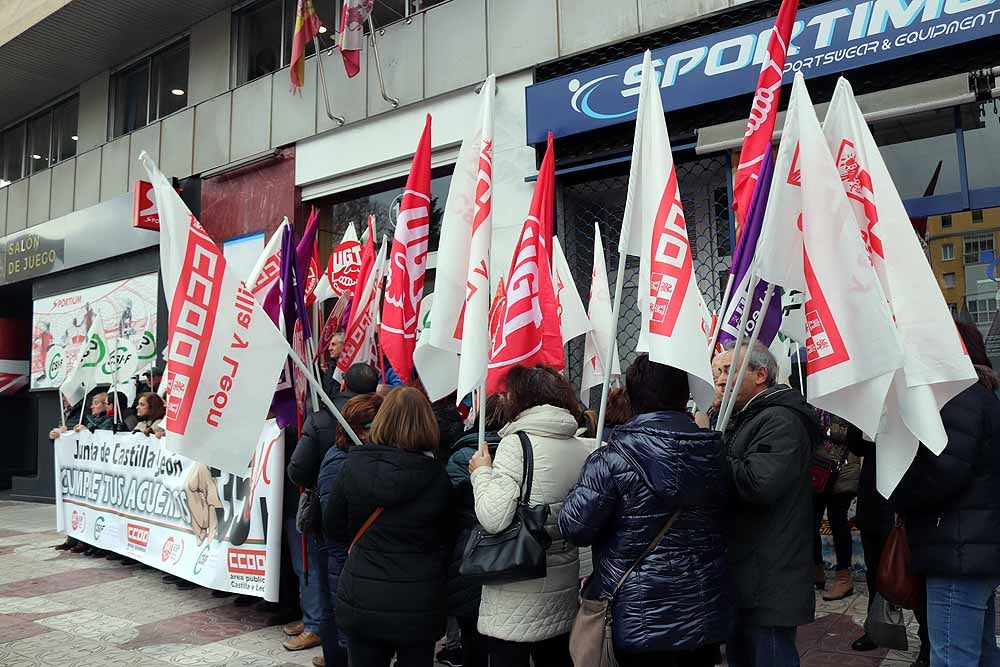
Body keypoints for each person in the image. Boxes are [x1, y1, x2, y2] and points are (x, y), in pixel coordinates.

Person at [559, 354, 733, 666]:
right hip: (703, 612)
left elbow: (574, 528)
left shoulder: (610, 459)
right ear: (684, 394)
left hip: (638, 619)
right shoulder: (715, 453)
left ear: (633, 394)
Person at [468, 365, 595, 667]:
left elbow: (494, 517)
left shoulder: (517, 444)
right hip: (563, 582)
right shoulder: (584, 447)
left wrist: (481, 472)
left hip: (516, 585)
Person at [891, 321, 1000, 667]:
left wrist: (897, 488)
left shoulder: (957, 396)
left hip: (958, 550)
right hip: (971, 546)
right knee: (980, 654)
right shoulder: (978, 394)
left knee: (953, 656)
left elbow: (944, 472)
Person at [326, 387, 452, 667]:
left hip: (363, 595)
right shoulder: (438, 477)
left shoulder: (352, 466)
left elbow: (332, 525)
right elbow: (447, 537)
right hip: (418, 599)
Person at [714, 342, 820, 667]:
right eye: (717, 371)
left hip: (770, 575)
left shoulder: (780, 420)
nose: (719, 380)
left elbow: (757, 483)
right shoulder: (744, 418)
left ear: (761, 375)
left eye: (728, 371)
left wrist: (711, 447)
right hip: (747, 571)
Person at [284, 364, 379, 652]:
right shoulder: (387, 418)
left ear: (342, 385)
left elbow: (298, 469)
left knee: (326, 581)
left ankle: (330, 643)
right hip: (373, 524)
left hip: (329, 523)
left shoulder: (321, 417)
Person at [440, 393, 509, 667]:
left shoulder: (460, 456)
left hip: (467, 552)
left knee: (473, 634)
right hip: (506, 551)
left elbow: (449, 505)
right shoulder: (516, 453)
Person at [318, 393, 384, 667]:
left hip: (362, 573)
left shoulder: (366, 458)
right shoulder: (339, 464)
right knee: (346, 642)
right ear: (358, 429)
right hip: (346, 570)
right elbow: (334, 528)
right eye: (377, 426)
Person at [812, 411, 860, 600]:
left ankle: (843, 577)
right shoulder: (815, 401)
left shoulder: (847, 401)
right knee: (810, 520)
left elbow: (854, 435)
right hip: (819, 469)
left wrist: (825, 429)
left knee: (837, 521)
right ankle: (816, 569)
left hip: (844, 471)